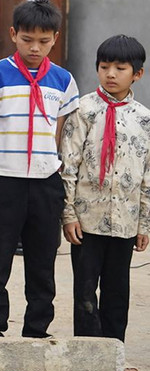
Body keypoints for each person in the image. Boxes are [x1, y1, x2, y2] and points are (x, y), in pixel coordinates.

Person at [0, 0, 79, 338]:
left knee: (42, 258)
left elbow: (60, 132)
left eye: (44, 41)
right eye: (27, 39)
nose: (35, 48)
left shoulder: (63, 80)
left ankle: (36, 329)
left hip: (45, 182)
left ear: (55, 39)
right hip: (4, 179)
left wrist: (52, 164)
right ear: (13, 34)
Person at [60, 34, 150, 342]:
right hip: (87, 219)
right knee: (84, 289)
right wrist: (68, 214)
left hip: (126, 222)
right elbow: (68, 165)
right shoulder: (82, 110)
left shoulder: (144, 119)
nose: (110, 74)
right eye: (104, 66)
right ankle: (88, 351)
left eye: (120, 68)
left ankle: (113, 350)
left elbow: (147, 176)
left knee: (118, 289)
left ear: (137, 73)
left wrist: (144, 223)